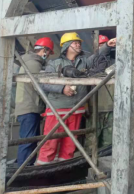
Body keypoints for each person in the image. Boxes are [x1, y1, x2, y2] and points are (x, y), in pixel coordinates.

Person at [36, 32, 115, 164]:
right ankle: (42, 167)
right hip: (58, 109)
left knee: (70, 144)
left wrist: (107, 45)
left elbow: (96, 56)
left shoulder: (84, 61)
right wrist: (62, 89)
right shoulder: (54, 63)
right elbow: (44, 83)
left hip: (76, 108)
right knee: (51, 142)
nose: (78, 45)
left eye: (79, 43)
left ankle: (64, 167)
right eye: (75, 43)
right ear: (67, 45)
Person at [15, 37, 54, 166]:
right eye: (49, 52)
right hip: (29, 107)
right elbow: (39, 87)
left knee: (30, 139)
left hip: (28, 106)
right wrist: (51, 100)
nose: (48, 56)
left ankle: (25, 166)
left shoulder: (30, 61)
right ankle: (24, 168)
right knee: (28, 140)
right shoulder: (34, 63)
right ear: (44, 50)